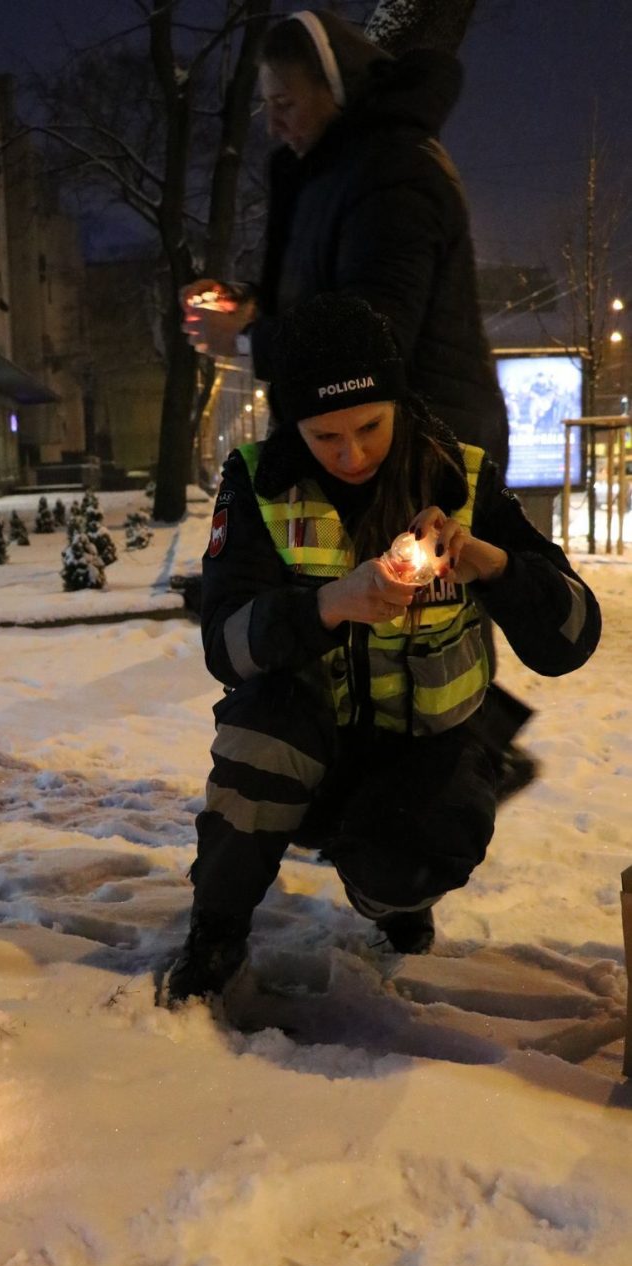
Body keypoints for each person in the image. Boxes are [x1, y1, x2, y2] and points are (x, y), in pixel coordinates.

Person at [165, 295, 600, 1004]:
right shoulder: (258, 483)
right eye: (325, 436)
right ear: (291, 424)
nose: (353, 453)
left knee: (401, 863)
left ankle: (394, 891)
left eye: (370, 426)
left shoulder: (463, 476)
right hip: (307, 740)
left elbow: (573, 639)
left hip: (424, 748)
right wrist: (327, 605)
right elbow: (224, 646)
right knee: (257, 744)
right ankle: (216, 930)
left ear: (399, 402)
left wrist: (494, 565)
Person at [181, 6, 535, 797]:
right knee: (365, 605)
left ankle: (453, 773)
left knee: (421, 612)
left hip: (424, 437)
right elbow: (318, 305)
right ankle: (391, 780)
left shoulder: (393, 172)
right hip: (374, 428)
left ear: (335, 90)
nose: (274, 126)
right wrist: (243, 305)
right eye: (264, 108)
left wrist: (250, 339)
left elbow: (375, 328)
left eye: (286, 103)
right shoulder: (332, 174)